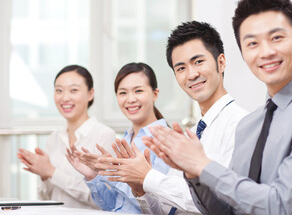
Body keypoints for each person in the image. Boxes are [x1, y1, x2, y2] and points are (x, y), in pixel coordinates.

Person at [146, 0, 292, 215]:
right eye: (252, 43)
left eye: (276, 38)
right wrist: (192, 173)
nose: (266, 52)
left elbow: (283, 207)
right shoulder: (249, 126)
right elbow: (228, 209)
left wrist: (203, 165)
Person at [93, 21, 248, 214]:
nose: (191, 74)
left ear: (221, 62)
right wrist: (141, 189)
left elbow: (221, 202)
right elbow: (166, 210)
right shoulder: (190, 135)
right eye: (181, 68)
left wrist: (148, 177)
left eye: (198, 62)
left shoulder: (242, 125)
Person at [66, 62, 169, 213]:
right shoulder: (126, 139)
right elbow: (115, 206)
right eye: (122, 93)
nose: (130, 99)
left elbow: (160, 205)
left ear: (155, 94)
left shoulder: (164, 140)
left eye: (138, 91)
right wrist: (93, 176)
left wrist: (110, 172)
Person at [17, 65, 116, 209]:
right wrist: (44, 175)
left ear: (90, 94)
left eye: (74, 90)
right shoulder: (54, 138)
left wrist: (52, 172)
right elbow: (45, 199)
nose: (65, 97)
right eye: (59, 90)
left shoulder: (104, 135)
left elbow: (105, 200)